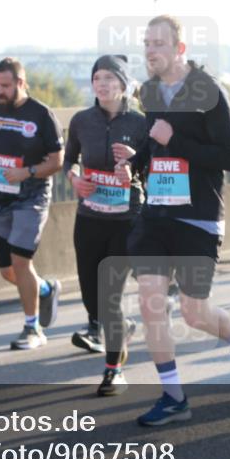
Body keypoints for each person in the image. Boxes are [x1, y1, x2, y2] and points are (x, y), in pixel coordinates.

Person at [121, 15, 230, 427]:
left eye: (159, 43)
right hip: (156, 214)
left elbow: (228, 158)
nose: (150, 50)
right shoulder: (149, 93)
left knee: (193, 313)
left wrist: (173, 140)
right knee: (151, 301)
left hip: (198, 217)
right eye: (147, 43)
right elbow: (154, 142)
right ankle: (173, 396)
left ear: (180, 49)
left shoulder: (209, 93)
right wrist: (137, 162)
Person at [63, 54, 147, 395]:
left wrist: (134, 166)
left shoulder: (141, 123)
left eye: (110, 78)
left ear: (123, 84)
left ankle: (114, 369)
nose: (102, 84)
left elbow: (154, 166)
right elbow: (69, 158)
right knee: (91, 299)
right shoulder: (82, 120)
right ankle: (122, 327)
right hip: (89, 217)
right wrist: (73, 177)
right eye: (97, 78)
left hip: (126, 219)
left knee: (109, 296)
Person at [0, 58, 64, 350]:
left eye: (6, 85)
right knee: (7, 271)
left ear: (21, 83)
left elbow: (57, 161)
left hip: (32, 196)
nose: (0, 91)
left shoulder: (41, 114)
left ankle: (33, 329)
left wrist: (26, 172)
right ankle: (44, 288)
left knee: (20, 262)